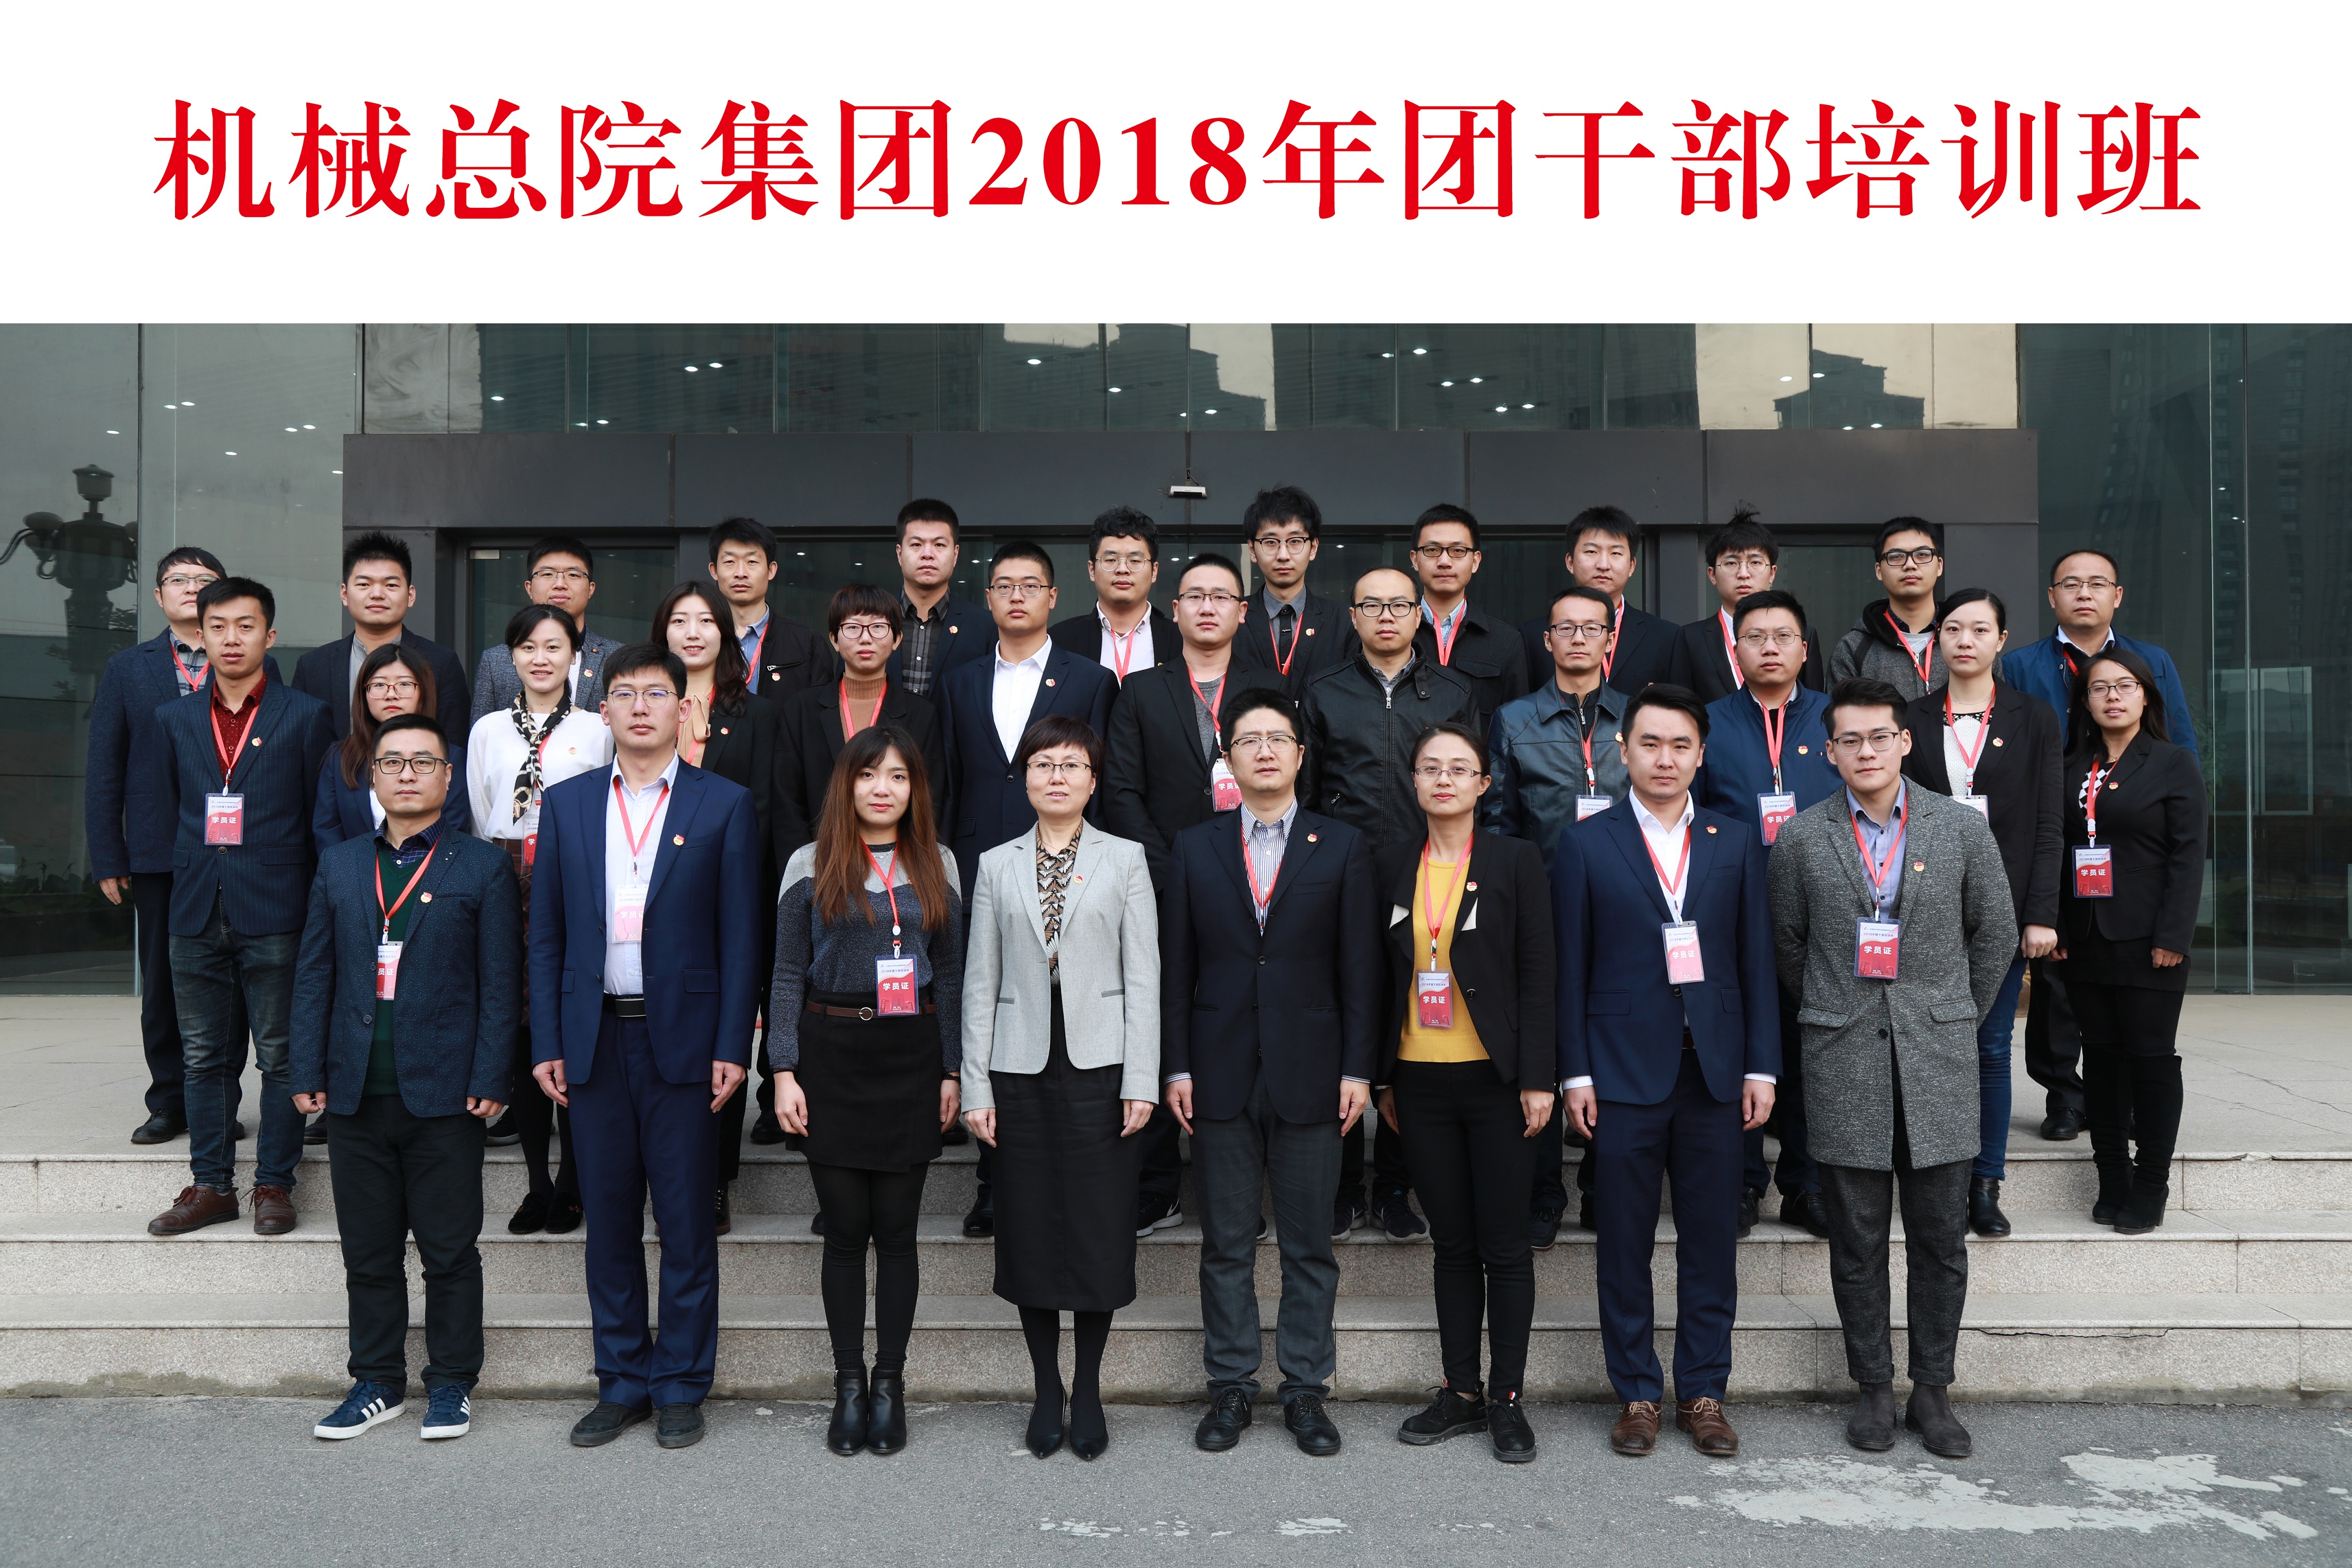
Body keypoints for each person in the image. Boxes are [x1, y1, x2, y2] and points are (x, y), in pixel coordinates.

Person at [1767, 677, 2016, 1461]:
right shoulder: (1800, 839)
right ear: (1829, 751)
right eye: (1850, 739)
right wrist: (1840, 1009)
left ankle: (1931, 1390)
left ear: (1905, 741)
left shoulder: (1960, 828)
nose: (1865, 751)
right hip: (1842, 1057)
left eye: (1880, 736)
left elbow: (1996, 933)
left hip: (1938, 1058)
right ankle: (1873, 1386)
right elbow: (1788, 946)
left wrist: (1947, 1012)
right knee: (1856, 1240)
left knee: (1941, 1239)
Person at [528, 643, 763, 1452]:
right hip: (593, 1040)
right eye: (623, 693)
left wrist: (734, 1044)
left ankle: (681, 1384)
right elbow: (547, 936)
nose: (638, 707)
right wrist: (548, 1038)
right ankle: (622, 1381)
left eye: (655, 694)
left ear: (683, 709)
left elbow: (742, 939)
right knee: (609, 1224)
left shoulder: (724, 804)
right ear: (603, 710)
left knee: (687, 1223)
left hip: (687, 1046)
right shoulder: (567, 804)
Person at [1554, 686, 1778, 1460]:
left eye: (1680, 745)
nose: (1664, 759)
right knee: (1622, 1242)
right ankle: (1637, 1394)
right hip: (1619, 1073)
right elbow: (1569, 969)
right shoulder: (1585, 843)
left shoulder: (1733, 840)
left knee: (1711, 1240)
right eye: (1649, 744)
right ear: (1624, 752)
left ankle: (1704, 1392)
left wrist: (1761, 1065)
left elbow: (1756, 961)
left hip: (1714, 1073)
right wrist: (1574, 1075)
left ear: (1700, 754)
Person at [290, 713, 519, 1443]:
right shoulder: (340, 865)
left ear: (448, 778)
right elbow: (314, 974)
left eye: (424, 761)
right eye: (392, 762)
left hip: (445, 1094)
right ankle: (376, 1382)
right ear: (372, 777)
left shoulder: (480, 867)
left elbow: (499, 985)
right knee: (368, 1253)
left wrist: (492, 1073)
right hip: (355, 1090)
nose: (408, 773)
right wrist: (306, 1067)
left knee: (449, 1252)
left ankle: (451, 1383)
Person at [1164, 686, 1378, 1458]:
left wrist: (1358, 1068)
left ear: (1299, 754)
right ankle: (1230, 1386)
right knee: (1225, 1242)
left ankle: (1304, 1390)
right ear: (1227, 757)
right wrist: (1175, 1066)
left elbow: (1360, 970)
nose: (1262, 750)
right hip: (1217, 1069)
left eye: (1276, 739)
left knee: (1308, 1244)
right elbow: (1175, 968)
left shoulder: (1341, 846)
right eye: (1247, 740)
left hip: (1313, 1071)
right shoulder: (1194, 847)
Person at [961, 716, 1159, 1461]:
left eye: (1071, 764)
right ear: (1024, 778)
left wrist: (1141, 1077)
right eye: (1043, 764)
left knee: (1098, 1230)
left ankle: (1090, 1387)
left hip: (1101, 1066)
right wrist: (975, 1084)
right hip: (1017, 1067)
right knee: (1030, 1229)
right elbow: (980, 981)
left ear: (1092, 780)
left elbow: (1144, 976)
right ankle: (1046, 1388)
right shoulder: (995, 864)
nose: (1056, 776)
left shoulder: (1124, 859)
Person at [770, 726, 965, 1457]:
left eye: (898, 776)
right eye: (868, 775)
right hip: (831, 1053)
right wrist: (782, 1070)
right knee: (847, 1232)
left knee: (898, 1232)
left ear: (915, 789)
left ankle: (890, 1385)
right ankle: (848, 1385)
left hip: (911, 1054)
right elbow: (786, 972)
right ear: (846, 784)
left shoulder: (938, 860)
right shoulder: (809, 861)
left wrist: (952, 1070)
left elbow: (953, 973)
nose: (882, 788)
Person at [1375, 722, 1554, 1464]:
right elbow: (1378, 974)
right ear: (1414, 781)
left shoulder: (1514, 860)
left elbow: (1538, 972)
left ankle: (1507, 1398)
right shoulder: (1391, 862)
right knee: (1451, 1244)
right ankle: (1460, 1391)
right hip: (1417, 1081)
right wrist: (1382, 1074)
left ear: (1484, 784)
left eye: (1459, 769)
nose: (1443, 779)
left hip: (1497, 1082)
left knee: (1504, 1246)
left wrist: (1538, 1077)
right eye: (1430, 768)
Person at [145, 578, 335, 1239]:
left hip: (277, 907)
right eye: (219, 626)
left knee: (280, 1056)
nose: (232, 639)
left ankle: (274, 1184)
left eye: (246, 626)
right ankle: (211, 1185)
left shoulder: (306, 715)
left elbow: (318, 820)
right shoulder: (172, 720)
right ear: (200, 635)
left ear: (269, 636)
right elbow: (164, 812)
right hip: (195, 908)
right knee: (203, 1057)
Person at [938, 541, 1115, 1234]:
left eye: (1030, 585)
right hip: (981, 864)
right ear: (987, 599)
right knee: (992, 1009)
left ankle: (1062, 1174)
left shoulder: (1090, 679)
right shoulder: (958, 681)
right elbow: (949, 779)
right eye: (1004, 585)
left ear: (1053, 597)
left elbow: (1098, 781)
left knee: (1060, 1015)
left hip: (1064, 864)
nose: (1017, 596)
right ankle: (993, 1182)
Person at [1302, 566, 1481, 1240]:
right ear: (1351, 616)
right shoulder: (1321, 690)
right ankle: (1345, 1185)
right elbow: (1305, 792)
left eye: (1399, 605)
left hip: (1427, 876)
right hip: (1342, 877)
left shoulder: (1453, 692)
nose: (1385, 616)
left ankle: (1399, 1187)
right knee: (1346, 1025)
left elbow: (1470, 785)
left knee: (1414, 1024)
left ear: (1418, 615)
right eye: (1371, 605)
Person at [2000, 547, 2202, 1142]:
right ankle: (2065, 1096)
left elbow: (2179, 744)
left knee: (2127, 993)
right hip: (2057, 826)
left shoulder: (2151, 661)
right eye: (2070, 584)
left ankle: (2121, 1101)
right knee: (2057, 979)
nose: (2083, 593)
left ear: (2117, 596)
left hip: (2129, 834)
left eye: (2096, 584)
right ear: (2051, 597)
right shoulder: (2020, 665)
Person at [87, 546, 277, 1145]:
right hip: (158, 850)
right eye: (178, 580)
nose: (191, 588)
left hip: (239, 851)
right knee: (166, 982)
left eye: (204, 580)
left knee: (237, 978)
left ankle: (221, 1100)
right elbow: (105, 766)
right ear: (158, 595)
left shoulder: (255, 662)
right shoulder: (128, 667)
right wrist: (108, 854)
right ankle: (170, 1100)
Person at [1899, 588, 2063, 1239]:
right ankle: (1932, 1179)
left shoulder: (2034, 717)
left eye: (1978, 629)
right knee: (1927, 1048)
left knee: (1990, 1047)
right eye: (1952, 629)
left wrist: (2039, 913)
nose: (1964, 640)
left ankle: (1984, 1184)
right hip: (1925, 909)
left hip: (2003, 910)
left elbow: (2049, 823)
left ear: (2000, 640)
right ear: (1937, 640)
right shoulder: (1910, 716)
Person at [1100, 553, 1252, 1235]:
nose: (1207, 607)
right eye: (1194, 596)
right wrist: (1171, 873)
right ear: (1176, 608)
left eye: (1221, 596)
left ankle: (1238, 1193)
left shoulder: (1269, 688)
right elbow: (1121, 792)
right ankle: (1157, 1185)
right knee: (1158, 1024)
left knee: (1237, 1027)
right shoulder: (1139, 690)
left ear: (1241, 611)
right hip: (1160, 887)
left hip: (1255, 886)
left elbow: (1288, 783)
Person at [1483, 583, 1628, 1249]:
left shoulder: (1636, 718)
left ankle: (1603, 1185)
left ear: (1608, 640)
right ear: (1546, 641)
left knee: (1613, 1044)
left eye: (1589, 627)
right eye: (1563, 628)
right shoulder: (1513, 720)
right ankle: (1543, 1192)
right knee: (1536, 1050)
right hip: (1538, 908)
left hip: (1625, 910)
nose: (1576, 638)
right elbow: (1499, 822)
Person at [1694, 589, 1842, 1239]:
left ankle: (1805, 1186)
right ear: (1736, 650)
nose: (1769, 648)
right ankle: (1741, 1183)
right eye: (1754, 637)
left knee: (1810, 1050)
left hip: (1820, 915)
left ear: (1804, 649)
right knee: (1737, 1049)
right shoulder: (1708, 723)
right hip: (1732, 913)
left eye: (1783, 637)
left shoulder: (1834, 718)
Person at [465, 604, 610, 1234]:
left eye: (554, 647)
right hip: (505, 875)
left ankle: (574, 1182)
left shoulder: (596, 728)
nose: (541, 658)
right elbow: (480, 812)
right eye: (528, 647)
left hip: (575, 878)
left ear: (574, 657)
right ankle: (536, 1183)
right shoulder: (488, 730)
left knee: (571, 1022)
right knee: (520, 1025)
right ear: (512, 657)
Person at [2053, 648, 2204, 1237]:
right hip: (2084, 936)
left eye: (2124, 686)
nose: (2112, 696)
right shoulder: (2071, 766)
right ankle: (2112, 1178)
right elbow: (2054, 848)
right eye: (2099, 688)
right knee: (2100, 1059)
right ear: (2084, 702)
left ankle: (2150, 1184)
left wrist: (2174, 935)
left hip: (2149, 939)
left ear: (2145, 696)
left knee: (2149, 1059)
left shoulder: (2172, 763)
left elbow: (2188, 855)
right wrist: (2056, 923)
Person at [654, 581, 789, 1234]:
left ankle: (713, 1179)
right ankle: (661, 1171)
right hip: (646, 901)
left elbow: (762, 809)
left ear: (724, 633)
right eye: (679, 620)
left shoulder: (757, 713)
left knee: (725, 1035)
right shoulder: (641, 707)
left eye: (705, 620)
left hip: (729, 898)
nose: (692, 632)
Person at [778, 584, 949, 859]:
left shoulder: (922, 714)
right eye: (853, 628)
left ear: (897, 639)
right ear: (834, 640)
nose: (866, 638)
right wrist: (805, 869)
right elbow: (787, 804)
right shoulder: (801, 710)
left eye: (878, 627)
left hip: (897, 863)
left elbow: (930, 799)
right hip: (819, 861)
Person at [293, 531, 471, 737]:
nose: (377, 594)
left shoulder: (442, 663)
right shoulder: (313, 666)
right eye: (364, 584)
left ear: (410, 595)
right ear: (345, 594)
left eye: (391, 585)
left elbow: (454, 743)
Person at [313, 643, 471, 853]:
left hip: (434, 872)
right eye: (379, 685)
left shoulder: (452, 756)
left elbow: (455, 829)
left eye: (404, 684)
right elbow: (327, 831)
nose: (391, 694)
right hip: (353, 872)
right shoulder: (340, 757)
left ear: (423, 691)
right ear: (364, 693)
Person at [1667, 507, 1829, 701]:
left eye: (1755, 563)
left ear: (1772, 573)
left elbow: (1814, 706)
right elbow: (1681, 708)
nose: (1743, 574)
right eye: (1731, 563)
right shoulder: (1689, 638)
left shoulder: (1802, 634)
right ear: (1712, 575)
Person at [1518, 506, 1677, 699]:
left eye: (1615, 553)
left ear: (1632, 566)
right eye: (1591, 551)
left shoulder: (1666, 637)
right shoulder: (1532, 635)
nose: (1603, 565)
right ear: (1570, 562)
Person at [472, 536, 623, 719]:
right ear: (529, 588)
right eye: (547, 574)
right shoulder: (495, 661)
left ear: (591, 589)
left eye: (573, 575)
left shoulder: (618, 657)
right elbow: (481, 729)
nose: (560, 584)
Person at [1408, 504, 1531, 717]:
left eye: (1458, 551)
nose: (1444, 562)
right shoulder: (1394, 633)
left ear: (1475, 561)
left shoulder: (1506, 642)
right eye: (1432, 550)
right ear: (1415, 559)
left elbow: (1517, 724)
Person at [1230, 485, 1351, 695]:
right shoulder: (1232, 618)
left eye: (1295, 541)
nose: (1283, 555)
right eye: (1270, 542)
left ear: (1313, 548)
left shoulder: (1345, 620)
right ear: (1252, 550)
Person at [705, 516, 832, 703]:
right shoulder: (697, 639)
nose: (741, 573)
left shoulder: (808, 644)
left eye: (752, 562)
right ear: (714, 570)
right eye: (730, 562)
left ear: (771, 570)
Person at [1048, 505, 1178, 682]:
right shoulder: (1059, 640)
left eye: (1135, 560)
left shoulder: (1181, 641)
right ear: (1092, 570)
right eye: (1110, 560)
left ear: (1154, 571)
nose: (1122, 569)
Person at [1829, 517, 1946, 701]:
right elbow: (1841, 716)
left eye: (1922, 554)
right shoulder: (1852, 648)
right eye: (1896, 556)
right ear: (1879, 571)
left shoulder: (1967, 639)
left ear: (1939, 566)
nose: (1910, 565)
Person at [887, 499, 993, 698]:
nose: (928, 554)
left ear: (955, 555)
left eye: (939, 545)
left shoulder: (986, 627)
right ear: (900, 554)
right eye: (916, 544)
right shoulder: (873, 620)